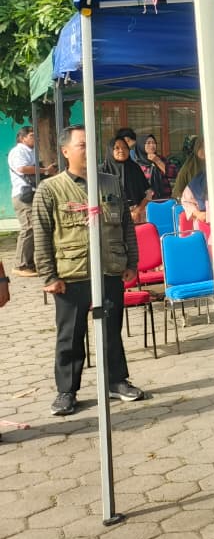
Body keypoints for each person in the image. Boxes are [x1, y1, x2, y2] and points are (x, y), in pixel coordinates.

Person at [34, 125, 145, 415]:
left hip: (109, 269)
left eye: (91, 144)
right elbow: (41, 234)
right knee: (70, 335)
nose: (88, 150)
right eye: (81, 145)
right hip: (71, 274)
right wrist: (49, 275)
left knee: (111, 329)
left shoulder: (110, 183)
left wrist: (131, 263)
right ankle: (66, 391)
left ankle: (116, 381)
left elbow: (126, 226)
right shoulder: (50, 189)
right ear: (65, 151)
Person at [9, 125, 53, 277]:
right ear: (22, 138)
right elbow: (22, 168)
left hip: (31, 193)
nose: (36, 138)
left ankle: (29, 263)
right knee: (29, 228)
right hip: (23, 195)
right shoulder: (18, 151)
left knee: (35, 228)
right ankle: (20, 265)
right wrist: (44, 170)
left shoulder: (30, 152)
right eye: (32, 135)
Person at [102, 133, 153, 224]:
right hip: (110, 214)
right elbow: (98, 196)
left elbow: (149, 193)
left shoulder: (135, 168)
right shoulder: (103, 170)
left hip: (136, 214)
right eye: (117, 148)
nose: (121, 150)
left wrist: (138, 210)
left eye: (125, 147)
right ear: (110, 150)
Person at [178, 139, 210, 227]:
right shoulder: (188, 168)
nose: (205, 150)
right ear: (196, 149)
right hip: (201, 217)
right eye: (201, 147)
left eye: (207, 147)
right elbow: (181, 193)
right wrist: (197, 212)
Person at [139, 134, 172, 199]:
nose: (152, 145)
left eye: (154, 143)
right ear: (141, 145)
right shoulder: (137, 163)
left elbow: (173, 174)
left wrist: (157, 161)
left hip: (164, 199)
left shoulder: (162, 159)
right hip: (145, 201)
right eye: (148, 143)